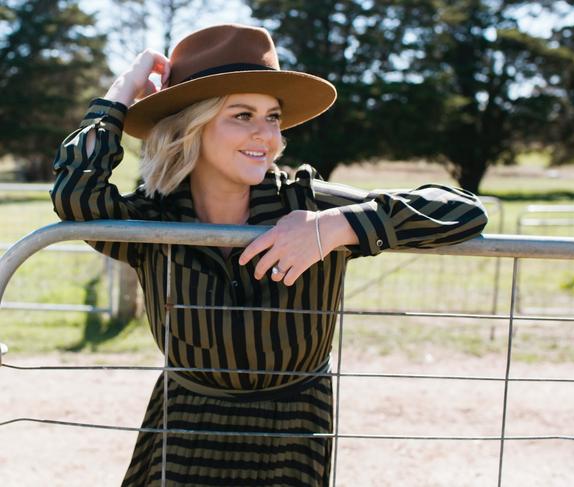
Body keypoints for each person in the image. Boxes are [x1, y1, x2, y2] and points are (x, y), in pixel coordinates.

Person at [50, 23, 488, 487]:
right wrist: (121, 93)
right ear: (191, 126)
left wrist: (335, 228)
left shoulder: (310, 205)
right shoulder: (153, 219)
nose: (266, 134)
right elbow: (76, 196)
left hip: (291, 441)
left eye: (273, 116)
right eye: (242, 115)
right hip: (183, 441)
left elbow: (465, 211)